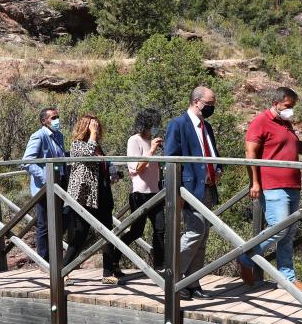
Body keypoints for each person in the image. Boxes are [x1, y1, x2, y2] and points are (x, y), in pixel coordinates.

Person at [237, 87, 302, 292]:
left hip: (292, 184)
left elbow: (295, 145)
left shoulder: (286, 123)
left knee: (289, 232)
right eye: (287, 106)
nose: (291, 110)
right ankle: (245, 257)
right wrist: (255, 183)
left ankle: (287, 279)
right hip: (273, 185)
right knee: (279, 227)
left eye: (293, 106)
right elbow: (250, 154)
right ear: (276, 103)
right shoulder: (261, 122)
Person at [164, 86, 221, 300]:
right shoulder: (178, 125)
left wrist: (218, 170)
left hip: (207, 187)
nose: (211, 108)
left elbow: (214, 153)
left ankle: (193, 282)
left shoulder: (208, 127)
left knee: (203, 236)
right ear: (196, 102)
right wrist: (175, 193)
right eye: (209, 104)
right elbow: (171, 159)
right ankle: (174, 279)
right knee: (195, 232)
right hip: (188, 190)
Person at [62, 115, 119, 284]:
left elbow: (104, 165)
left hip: (102, 194)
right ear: (85, 127)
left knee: (107, 233)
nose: (97, 129)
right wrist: (92, 135)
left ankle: (107, 273)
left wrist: (113, 174)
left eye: (97, 127)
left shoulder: (98, 147)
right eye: (93, 126)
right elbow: (86, 155)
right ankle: (63, 271)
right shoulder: (77, 145)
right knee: (81, 234)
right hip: (84, 197)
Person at [22, 107, 68, 262]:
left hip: (60, 186)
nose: (57, 120)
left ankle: (56, 259)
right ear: (44, 121)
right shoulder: (38, 136)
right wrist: (47, 178)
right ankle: (44, 261)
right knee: (44, 224)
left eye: (58, 117)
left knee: (60, 222)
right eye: (53, 118)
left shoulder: (59, 136)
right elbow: (27, 162)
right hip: (44, 188)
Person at [124, 108, 166, 271]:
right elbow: (136, 168)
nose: (155, 127)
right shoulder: (134, 140)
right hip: (140, 194)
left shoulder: (154, 140)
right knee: (136, 232)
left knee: (160, 229)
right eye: (152, 124)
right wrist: (152, 150)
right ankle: (114, 256)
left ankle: (160, 265)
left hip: (155, 192)